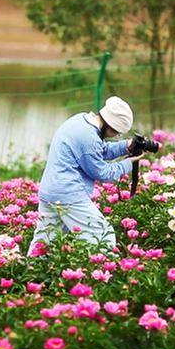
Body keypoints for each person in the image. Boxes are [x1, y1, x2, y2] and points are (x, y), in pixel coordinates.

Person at [27, 96, 147, 257]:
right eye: (116, 133)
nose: (114, 136)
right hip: (69, 195)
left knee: (45, 243)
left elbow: (99, 151)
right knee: (101, 235)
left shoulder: (80, 121)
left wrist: (126, 146)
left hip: (50, 192)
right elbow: (102, 172)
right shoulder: (89, 137)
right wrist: (129, 163)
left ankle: (32, 277)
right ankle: (104, 274)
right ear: (109, 125)